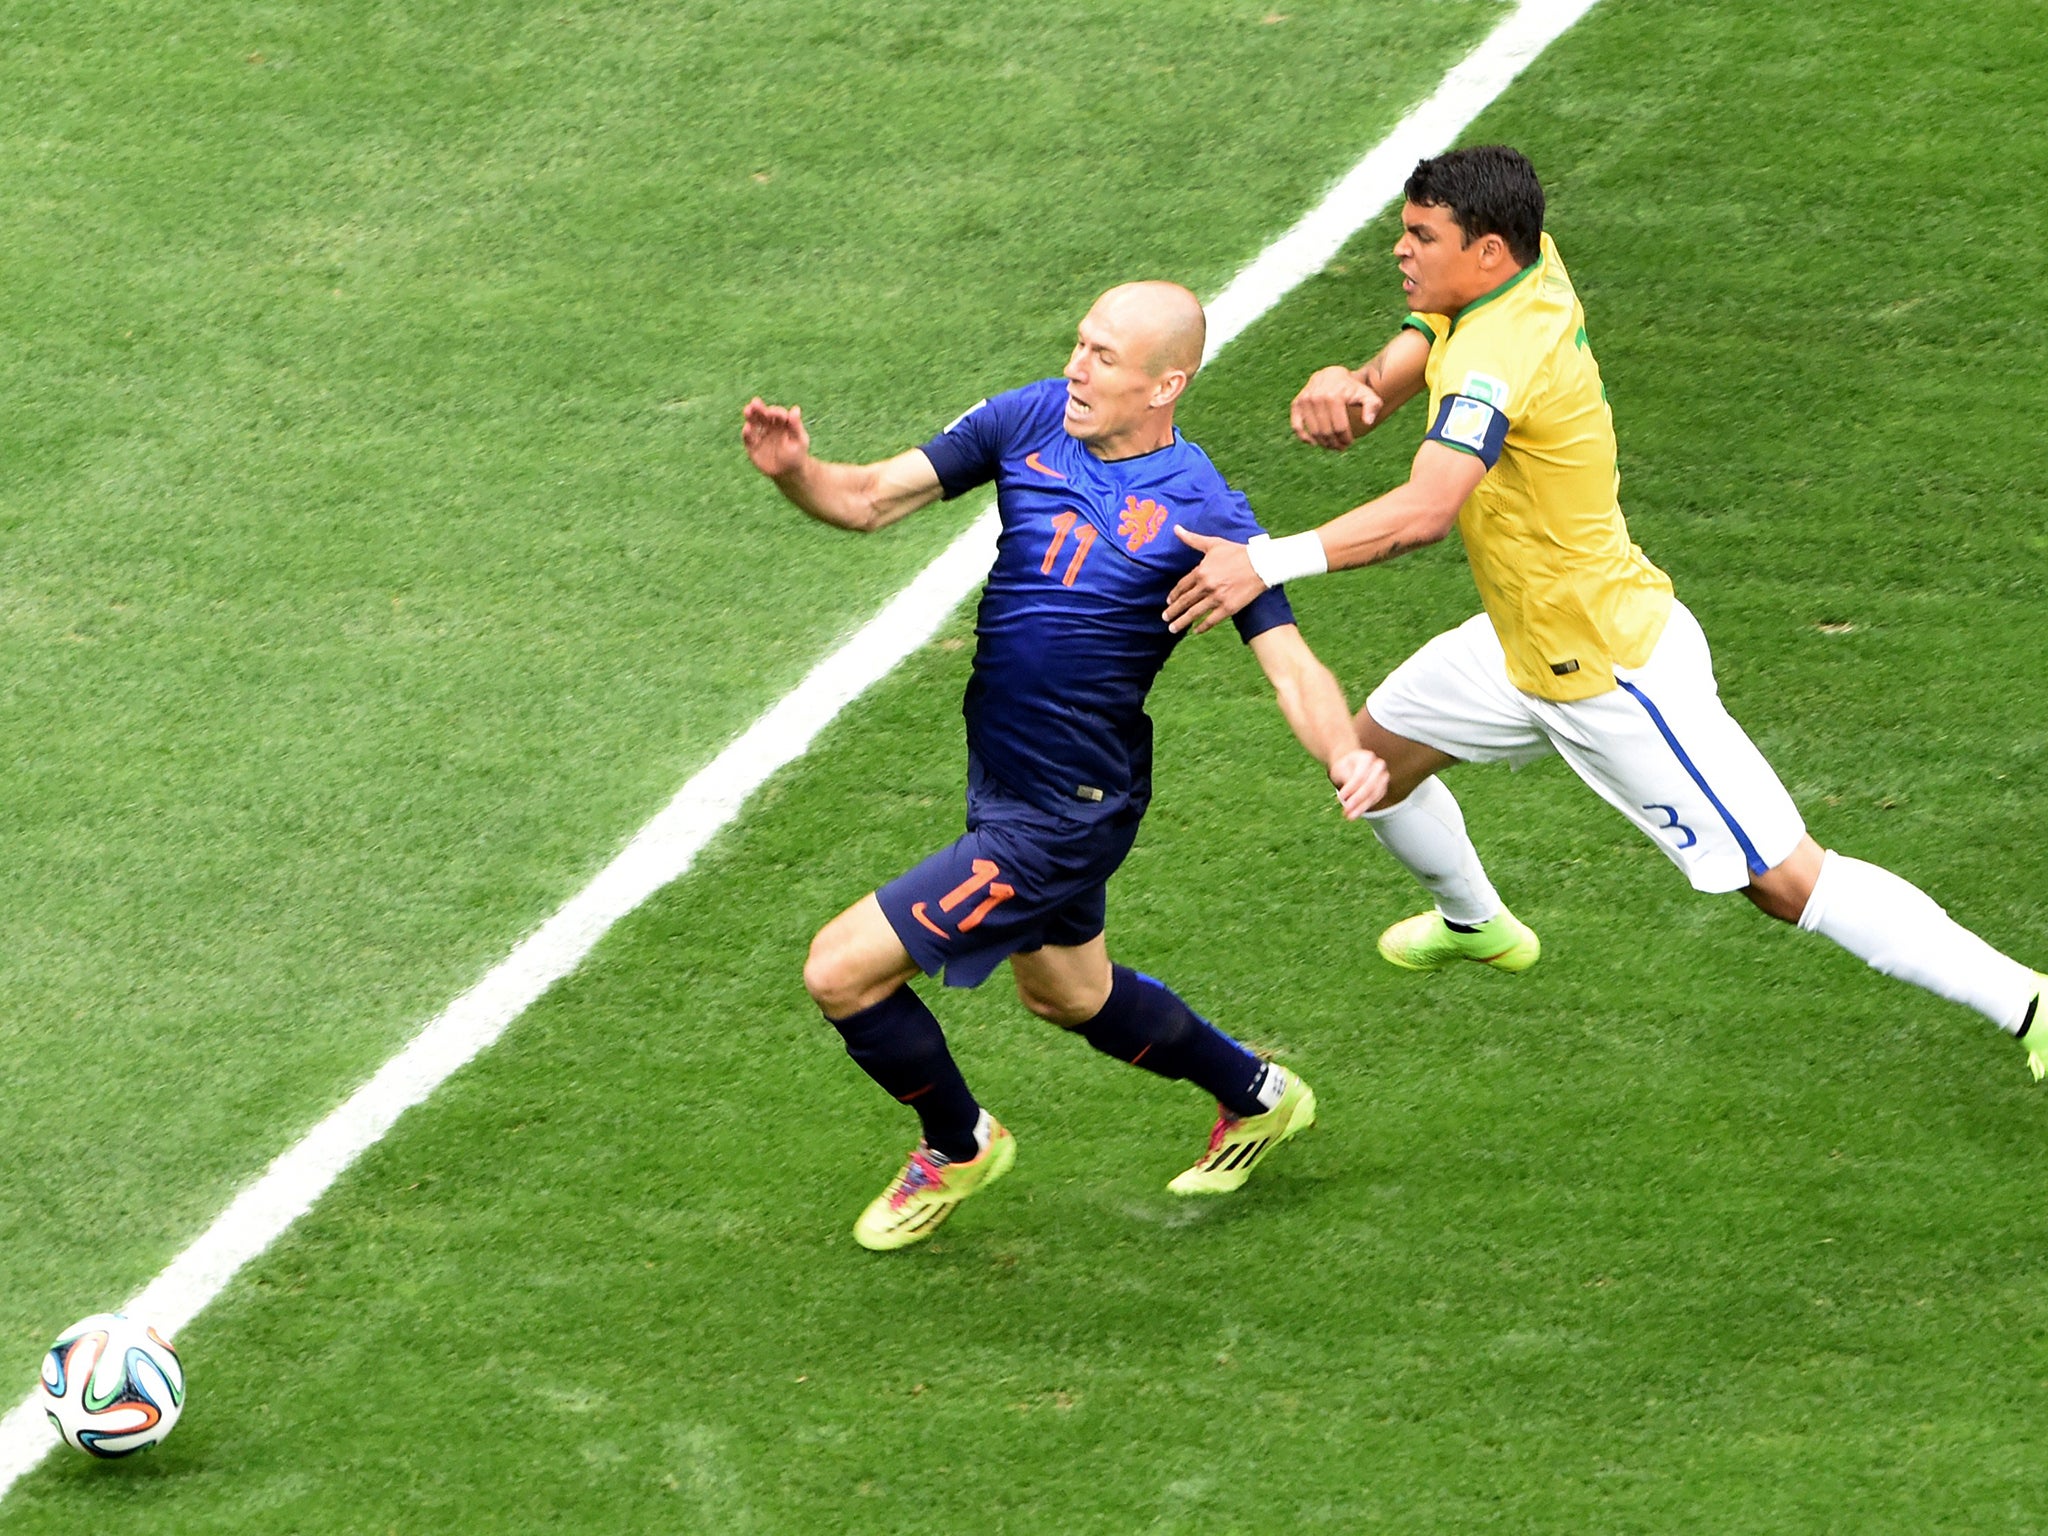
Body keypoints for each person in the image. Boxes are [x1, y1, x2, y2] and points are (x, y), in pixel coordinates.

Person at [1163, 146, 2045, 1075]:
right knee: (1370, 757)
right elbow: (1431, 327)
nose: (1400, 249)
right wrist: (1369, 383)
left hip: (1608, 670)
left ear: (1491, 250)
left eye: (1422, 235)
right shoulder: (1526, 270)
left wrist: (1264, 562)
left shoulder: (1500, 357)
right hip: (1520, 643)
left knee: (1787, 881)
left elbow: (1424, 511)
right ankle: (1478, 924)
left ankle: (2024, 1003)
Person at [743, 281, 1389, 1251]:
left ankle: (958, 1144)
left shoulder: (1206, 512)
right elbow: (870, 499)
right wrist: (795, 471)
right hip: (1008, 778)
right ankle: (1257, 1094)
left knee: (839, 972)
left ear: (1165, 383)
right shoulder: (1029, 418)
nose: (1075, 368)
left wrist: (1344, 752)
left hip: (1061, 813)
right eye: (1077, 345)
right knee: (1067, 995)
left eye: (1101, 357)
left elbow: (1288, 661)